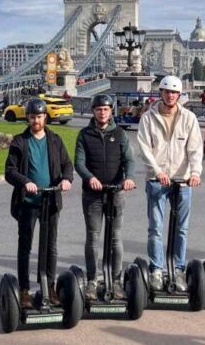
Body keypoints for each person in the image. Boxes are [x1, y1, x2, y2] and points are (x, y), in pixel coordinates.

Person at [4, 98, 73, 309]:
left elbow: (67, 164)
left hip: (50, 200)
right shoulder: (20, 141)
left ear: (45, 117)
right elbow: (10, 171)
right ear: (28, 118)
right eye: (33, 117)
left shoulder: (55, 140)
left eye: (40, 117)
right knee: (25, 246)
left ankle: (49, 286)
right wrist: (25, 182)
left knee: (50, 246)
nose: (36, 120)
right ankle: (24, 290)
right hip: (28, 202)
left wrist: (66, 180)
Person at [137, 76, 203, 291]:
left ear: (179, 95)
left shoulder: (189, 118)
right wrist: (157, 171)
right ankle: (157, 268)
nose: (170, 96)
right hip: (157, 181)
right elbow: (144, 148)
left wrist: (195, 172)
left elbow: (195, 149)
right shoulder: (148, 118)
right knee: (155, 228)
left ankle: (178, 269)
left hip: (182, 181)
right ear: (161, 94)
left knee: (181, 229)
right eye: (167, 92)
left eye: (174, 93)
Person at [74, 94, 136, 300]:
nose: (102, 112)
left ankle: (116, 280)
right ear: (93, 111)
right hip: (93, 195)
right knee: (93, 237)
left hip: (116, 192)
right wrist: (89, 177)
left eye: (106, 109)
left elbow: (129, 159)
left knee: (116, 238)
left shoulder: (119, 134)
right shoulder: (85, 134)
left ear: (111, 112)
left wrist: (129, 178)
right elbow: (79, 162)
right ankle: (92, 280)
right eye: (99, 109)